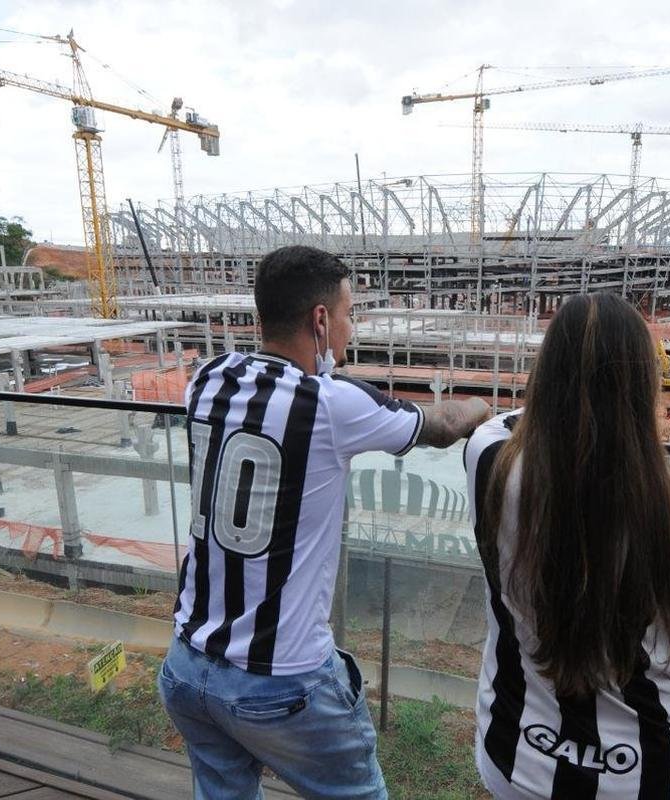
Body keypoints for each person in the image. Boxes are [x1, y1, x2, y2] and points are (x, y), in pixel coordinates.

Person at [159, 245, 490, 800]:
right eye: (348, 314)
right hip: (282, 682)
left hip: (188, 665)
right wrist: (485, 410)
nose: (350, 329)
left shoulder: (207, 378)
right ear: (319, 319)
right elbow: (442, 424)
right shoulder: (332, 404)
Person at [464, 293, 670, 800]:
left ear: (545, 375)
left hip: (516, 754)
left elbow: (509, 422)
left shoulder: (488, 462)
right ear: (643, 387)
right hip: (640, 773)